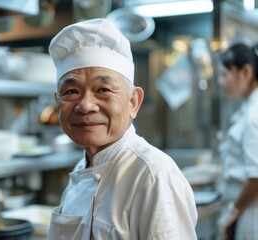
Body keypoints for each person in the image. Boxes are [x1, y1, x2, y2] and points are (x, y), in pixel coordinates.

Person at [47, 18, 198, 239]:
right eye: (70, 92)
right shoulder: (82, 168)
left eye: (103, 89)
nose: (85, 105)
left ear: (133, 102)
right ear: (56, 100)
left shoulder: (152, 175)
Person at [217, 42, 258, 240]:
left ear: (246, 72)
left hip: (251, 214)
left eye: (225, 74)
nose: (220, 81)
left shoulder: (253, 115)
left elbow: (256, 177)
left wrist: (233, 211)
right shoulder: (250, 108)